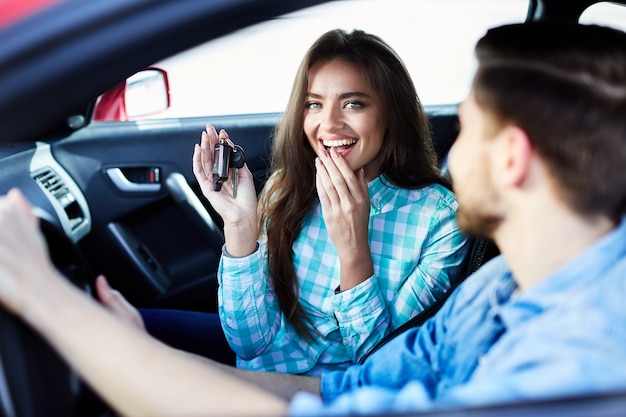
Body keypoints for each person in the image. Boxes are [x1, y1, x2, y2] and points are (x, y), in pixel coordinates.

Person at [1, 21, 626, 417]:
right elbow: (336, 392)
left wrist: (46, 298)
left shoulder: (580, 355)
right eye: (316, 105)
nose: (455, 155)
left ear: (512, 157)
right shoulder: (500, 289)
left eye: (471, 132)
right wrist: (237, 235)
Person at [138, 28, 469, 375]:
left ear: (391, 114)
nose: (329, 123)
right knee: (114, 321)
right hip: (258, 373)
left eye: (353, 103)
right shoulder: (287, 187)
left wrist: (353, 253)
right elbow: (249, 344)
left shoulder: (440, 220)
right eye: (314, 104)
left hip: (329, 397)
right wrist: (239, 225)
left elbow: (381, 368)